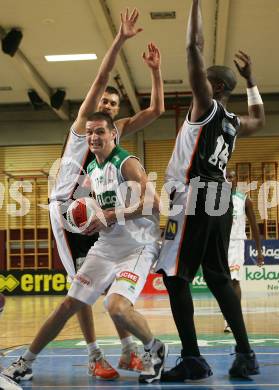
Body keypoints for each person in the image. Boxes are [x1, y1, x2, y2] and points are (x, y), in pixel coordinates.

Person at [3, 8, 164, 383]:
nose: (104, 108)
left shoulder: (117, 140)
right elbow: (101, 76)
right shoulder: (84, 130)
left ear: (114, 119)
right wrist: (120, 39)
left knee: (108, 292)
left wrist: (156, 70)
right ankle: (94, 355)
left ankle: (128, 351)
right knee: (78, 295)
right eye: (100, 103)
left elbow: (156, 111)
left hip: (101, 217)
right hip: (69, 212)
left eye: (110, 105)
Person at [5, 112, 168, 386]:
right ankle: (26, 362)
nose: (93, 137)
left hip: (138, 247)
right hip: (107, 246)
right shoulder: (92, 169)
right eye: (90, 132)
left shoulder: (126, 163)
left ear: (113, 134)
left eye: (100, 131)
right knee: (69, 304)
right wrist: (92, 222)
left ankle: (154, 347)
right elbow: (102, 211)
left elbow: (154, 203)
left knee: (114, 306)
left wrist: (110, 216)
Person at [155, 0, 265, 382]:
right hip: (219, 195)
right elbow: (261, 119)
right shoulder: (235, 123)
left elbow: (192, 47)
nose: (194, 84)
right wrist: (251, 80)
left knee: (174, 276)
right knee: (218, 276)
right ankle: (246, 354)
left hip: (194, 194)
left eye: (203, 81)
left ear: (213, 86)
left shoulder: (207, 107)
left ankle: (192, 359)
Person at [223, 169, 264, 333]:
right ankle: (227, 316)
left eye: (231, 177)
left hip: (237, 243)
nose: (228, 179)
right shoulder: (214, 199)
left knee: (234, 281)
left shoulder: (244, 200)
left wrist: (259, 252)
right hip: (221, 244)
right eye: (226, 177)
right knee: (223, 282)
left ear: (236, 180)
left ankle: (233, 319)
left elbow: (254, 226)